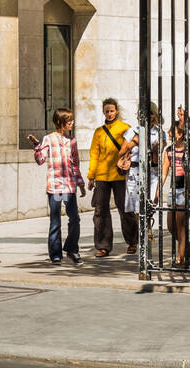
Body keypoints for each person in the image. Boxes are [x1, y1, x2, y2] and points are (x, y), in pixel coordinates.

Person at [32, 108, 86, 265]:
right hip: (55, 186)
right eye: (69, 120)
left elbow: (75, 164)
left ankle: (72, 249)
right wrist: (37, 145)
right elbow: (40, 160)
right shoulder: (48, 139)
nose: (72, 123)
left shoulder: (72, 141)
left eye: (72, 120)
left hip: (69, 187)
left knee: (74, 218)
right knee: (55, 221)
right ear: (60, 122)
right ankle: (55, 254)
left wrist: (80, 183)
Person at [87, 97, 138, 257]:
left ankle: (132, 241)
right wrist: (91, 176)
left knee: (125, 209)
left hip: (120, 175)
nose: (109, 114)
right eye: (107, 111)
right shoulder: (99, 132)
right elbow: (94, 154)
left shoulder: (125, 128)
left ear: (117, 111)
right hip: (102, 176)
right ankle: (103, 246)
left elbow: (132, 149)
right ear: (103, 112)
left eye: (112, 111)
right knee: (100, 211)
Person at [119, 104, 166, 249]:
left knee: (149, 204)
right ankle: (143, 233)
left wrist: (156, 148)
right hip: (135, 171)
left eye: (150, 114)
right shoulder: (132, 131)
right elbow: (121, 152)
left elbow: (160, 153)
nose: (147, 117)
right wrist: (134, 141)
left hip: (151, 172)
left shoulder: (159, 132)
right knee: (137, 208)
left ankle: (146, 230)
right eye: (142, 113)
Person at [161, 120, 190, 267]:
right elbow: (164, 173)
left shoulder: (189, 150)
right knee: (171, 226)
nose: (169, 134)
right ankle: (188, 247)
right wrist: (157, 192)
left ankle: (181, 259)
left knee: (181, 225)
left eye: (173, 132)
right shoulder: (169, 151)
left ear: (181, 134)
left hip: (185, 189)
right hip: (173, 190)